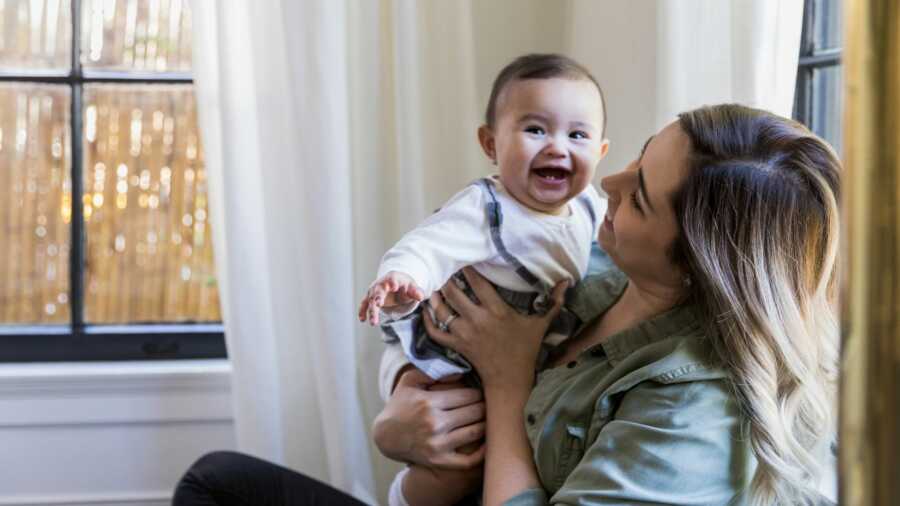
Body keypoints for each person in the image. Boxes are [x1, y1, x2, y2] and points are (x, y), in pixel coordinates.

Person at [173, 104, 840, 506]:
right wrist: (399, 419)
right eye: (637, 158)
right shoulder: (591, 265)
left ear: (697, 268)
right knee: (217, 482)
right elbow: (431, 330)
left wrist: (507, 378)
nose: (605, 180)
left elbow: (496, 366)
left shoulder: (694, 411)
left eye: (638, 195)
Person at [358, 53, 609, 380]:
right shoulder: (486, 209)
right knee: (454, 408)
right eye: (535, 129)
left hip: (531, 350)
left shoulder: (589, 203)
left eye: (577, 135)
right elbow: (428, 246)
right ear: (491, 144)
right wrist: (404, 277)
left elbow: (617, 233)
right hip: (459, 355)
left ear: (600, 153)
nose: (557, 148)